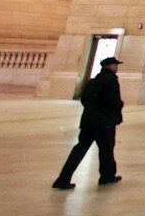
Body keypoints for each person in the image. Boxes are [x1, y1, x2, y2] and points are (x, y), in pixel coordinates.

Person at [52, 57, 124, 189]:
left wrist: (93, 111)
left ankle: (63, 178)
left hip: (88, 121)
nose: (117, 67)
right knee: (106, 150)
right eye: (116, 65)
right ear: (110, 66)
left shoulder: (93, 80)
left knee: (79, 149)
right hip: (104, 122)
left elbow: (84, 100)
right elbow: (113, 100)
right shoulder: (111, 80)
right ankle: (107, 176)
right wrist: (119, 105)